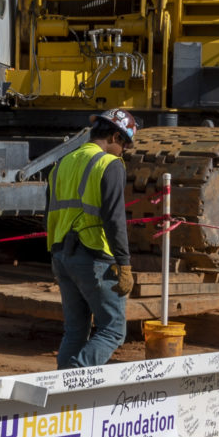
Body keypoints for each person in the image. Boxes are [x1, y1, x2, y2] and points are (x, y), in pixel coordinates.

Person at [47, 110, 138, 369]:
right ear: (114, 136)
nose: (123, 152)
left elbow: (48, 214)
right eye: (124, 144)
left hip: (62, 255)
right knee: (113, 331)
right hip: (94, 255)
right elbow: (114, 218)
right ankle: (77, 376)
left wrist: (56, 255)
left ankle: (62, 392)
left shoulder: (62, 163)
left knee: (75, 332)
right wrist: (124, 263)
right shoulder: (108, 164)